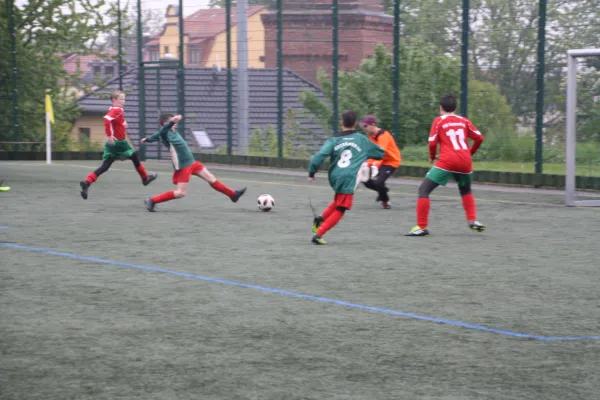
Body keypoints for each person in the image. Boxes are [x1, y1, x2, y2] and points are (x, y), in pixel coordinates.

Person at [406, 94, 485, 236]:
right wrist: (469, 152)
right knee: (466, 191)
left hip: (447, 161)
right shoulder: (464, 121)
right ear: (455, 107)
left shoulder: (438, 121)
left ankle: (421, 227)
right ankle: (472, 220)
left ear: (441, 107)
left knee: (423, 190)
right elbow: (479, 138)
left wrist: (431, 157)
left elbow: (432, 143)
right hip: (465, 161)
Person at [308, 110, 385, 245]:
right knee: (342, 208)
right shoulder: (361, 139)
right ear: (355, 124)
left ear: (341, 123)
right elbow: (380, 153)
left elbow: (318, 157)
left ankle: (320, 218)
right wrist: (366, 155)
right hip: (349, 177)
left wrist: (311, 172)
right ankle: (319, 234)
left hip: (335, 176)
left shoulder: (334, 140)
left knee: (339, 200)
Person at [141, 114, 246, 211]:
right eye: (172, 122)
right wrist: (172, 121)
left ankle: (233, 195)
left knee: (211, 178)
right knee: (181, 193)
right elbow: (160, 132)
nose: (175, 124)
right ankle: (152, 200)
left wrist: (147, 139)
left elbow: (154, 136)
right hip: (183, 165)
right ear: (165, 123)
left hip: (192, 162)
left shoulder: (173, 131)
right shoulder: (165, 133)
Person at [79, 90, 157, 199]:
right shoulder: (118, 109)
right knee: (134, 156)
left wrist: (122, 124)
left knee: (105, 166)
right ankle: (145, 178)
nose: (123, 101)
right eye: (121, 99)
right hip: (119, 142)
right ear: (114, 100)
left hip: (111, 145)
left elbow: (112, 122)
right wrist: (109, 135)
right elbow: (107, 119)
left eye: (124, 99)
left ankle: (87, 182)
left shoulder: (112, 109)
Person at [359, 115, 401, 209]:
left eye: (366, 126)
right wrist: (366, 163)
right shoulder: (371, 137)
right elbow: (372, 154)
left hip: (391, 161)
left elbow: (380, 153)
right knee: (365, 180)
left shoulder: (383, 135)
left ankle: (385, 202)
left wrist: (374, 165)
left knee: (378, 183)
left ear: (373, 124)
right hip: (380, 161)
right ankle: (383, 190)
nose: (364, 128)